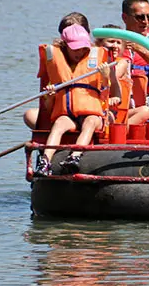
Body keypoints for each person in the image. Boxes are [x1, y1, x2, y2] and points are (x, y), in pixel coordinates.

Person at [37, 25, 120, 175]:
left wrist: (105, 76)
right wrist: (50, 95)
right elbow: (50, 108)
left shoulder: (98, 65)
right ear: (65, 46)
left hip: (93, 115)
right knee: (58, 124)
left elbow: (105, 94)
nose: (80, 52)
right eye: (75, 48)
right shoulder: (57, 67)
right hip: (68, 115)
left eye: (83, 48)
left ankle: (74, 157)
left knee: (90, 121)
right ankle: (45, 161)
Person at [25, 12, 91, 132]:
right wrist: (50, 97)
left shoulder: (96, 57)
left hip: (88, 114)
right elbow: (49, 104)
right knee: (29, 114)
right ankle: (59, 131)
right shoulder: (54, 58)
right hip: (62, 113)